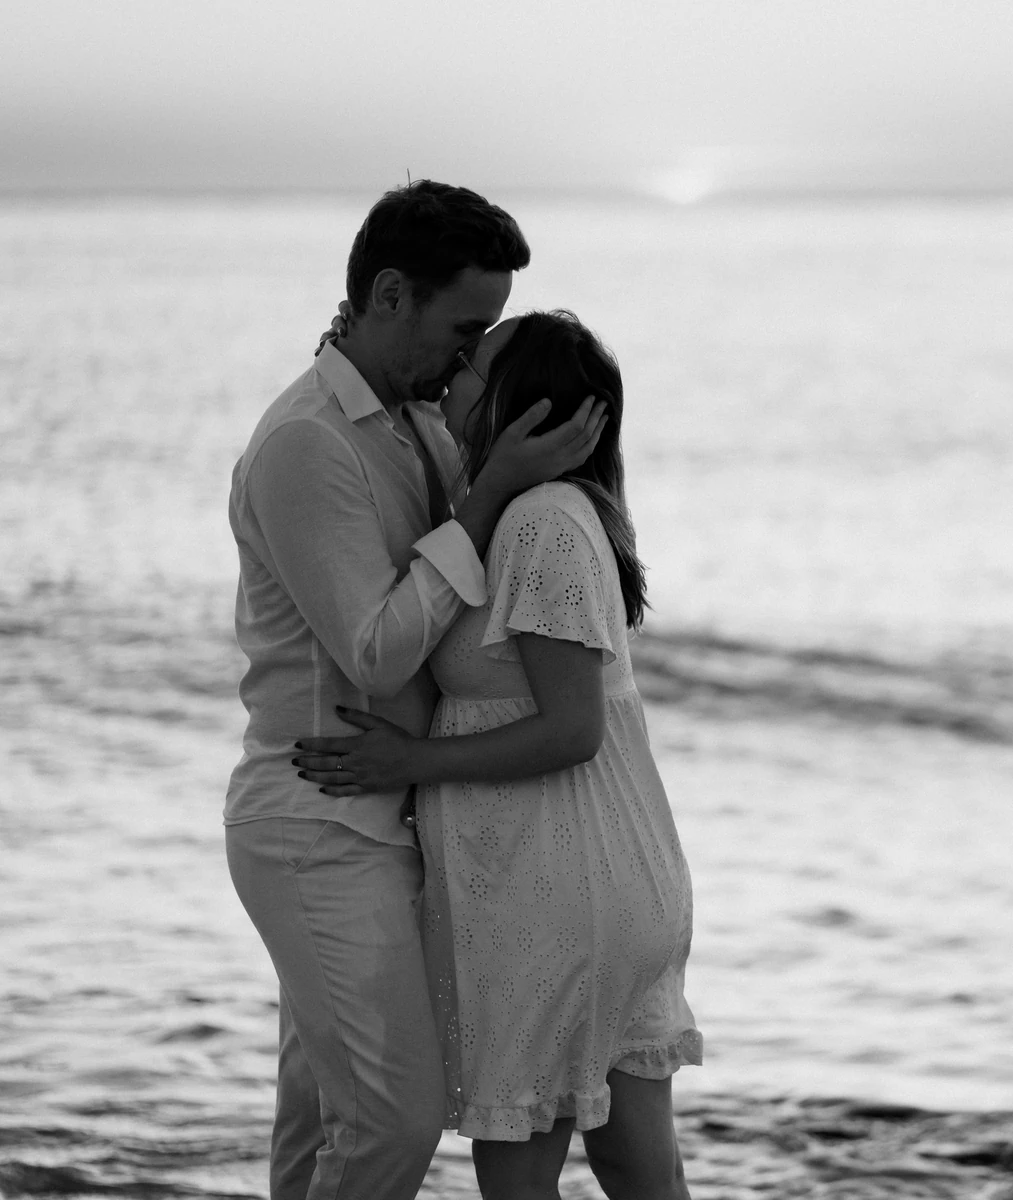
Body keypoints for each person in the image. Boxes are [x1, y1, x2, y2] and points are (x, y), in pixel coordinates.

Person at [225, 182, 608, 1200]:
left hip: (396, 819)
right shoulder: (311, 442)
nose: (468, 355)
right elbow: (376, 653)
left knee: (320, 1129)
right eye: (464, 327)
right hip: (321, 820)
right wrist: (484, 501)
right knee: (394, 1123)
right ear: (389, 294)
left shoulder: (420, 428)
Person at [293, 310, 702, 1200]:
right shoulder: (549, 512)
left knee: (519, 1175)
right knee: (640, 1166)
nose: (457, 373)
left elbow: (571, 730)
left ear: (524, 410)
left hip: (557, 888)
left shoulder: (542, 525)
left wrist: (410, 763)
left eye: (477, 365)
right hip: (602, 876)